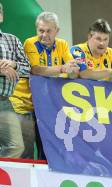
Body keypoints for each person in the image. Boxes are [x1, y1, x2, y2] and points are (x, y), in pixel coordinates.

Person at [10, 11, 79, 159]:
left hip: (48, 106)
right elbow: (36, 70)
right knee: (25, 153)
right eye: (41, 30)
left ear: (57, 31)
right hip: (24, 105)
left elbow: (72, 68)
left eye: (49, 31)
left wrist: (73, 69)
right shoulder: (30, 43)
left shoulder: (63, 44)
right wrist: (62, 68)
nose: (44, 35)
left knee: (48, 151)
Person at [0, 3, 31, 158]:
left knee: (16, 146)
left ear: (1, 16)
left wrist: (13, 65)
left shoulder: (12, 40)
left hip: (4, 101)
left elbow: (28, 69)